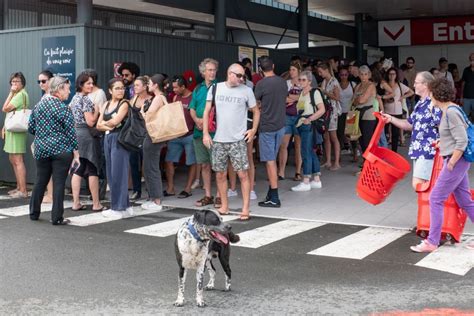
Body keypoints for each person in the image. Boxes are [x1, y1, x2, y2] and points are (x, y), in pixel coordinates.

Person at [409, 78, 474, 253]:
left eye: (431, 93)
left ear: (437, 94)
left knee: (435, 198)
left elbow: (462, 141)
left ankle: (432, 241)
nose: (429, 97)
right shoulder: (451, 109)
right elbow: (455, 137)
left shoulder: (451, 112)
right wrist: (443, 142)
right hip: (457, 161)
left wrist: (451, 163)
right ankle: (432, 240)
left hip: (455, 162)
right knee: (465, 201)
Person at [202, 63, 260, 220]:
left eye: (243, 76)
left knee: (243, 174)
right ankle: (225, 206)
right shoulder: (215, 88)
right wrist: (206, 134)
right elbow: (206, 111)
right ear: (230, 74)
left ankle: (245, 208)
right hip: (219, 140)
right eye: (239, 76)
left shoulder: (247, 91)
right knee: (220, 174)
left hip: (238, 140)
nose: (242, 79)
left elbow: (256, 111)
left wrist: (253, 129)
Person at [29, 76, 80, 225]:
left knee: (40, 180)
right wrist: (76, 153)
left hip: (41, 148)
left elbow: (31, 127)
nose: (69, 92)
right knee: (59, 183)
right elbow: (71, 133)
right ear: (58, 89)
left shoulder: (38, 106)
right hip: (61, 150)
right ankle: (56, 217)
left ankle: (33, 213)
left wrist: (44, 134)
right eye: (67, 88)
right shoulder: (63, 108)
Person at [381, 71, 442, 190]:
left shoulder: (434, 103)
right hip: (418, 151)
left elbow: (442, 126)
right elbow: (409, 124)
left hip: (428, 152)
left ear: (426, 85)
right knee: (422, 186)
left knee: (421, 186)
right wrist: (391, 118)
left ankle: (430, 208)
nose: (413, 85)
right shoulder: (421, 103)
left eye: (416, 82)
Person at [97, 78, 132, 219]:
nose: (120, 90)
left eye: (122, 88)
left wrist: (106, 125)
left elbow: (115, 122)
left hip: (119, 139)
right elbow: (98, 125)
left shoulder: (124, 103)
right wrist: (107, 125)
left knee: (119, 173)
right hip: (108, 138)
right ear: (110, 90)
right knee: (111, 173)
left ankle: (118, 208)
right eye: (117, 88)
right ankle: (126, 206)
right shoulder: (105, 104)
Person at [254, 56, 287, 207]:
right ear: (273, 65)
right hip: (281, 125)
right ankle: (270, 192)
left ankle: (274, 197)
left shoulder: (260, 84)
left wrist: (260, 106)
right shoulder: (282, 82)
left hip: (267, 127)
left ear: (260, 70)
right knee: (272, 158)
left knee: (270, 162)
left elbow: (254, 103)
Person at [69, 73, 104, 212]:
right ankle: (96, 203)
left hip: (76, 133)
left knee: (78, 168)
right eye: (88, 83)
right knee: (92, 167)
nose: (91, 85)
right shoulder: (86, 100)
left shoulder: (74, 98)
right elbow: (90, 121)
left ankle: (76, 202)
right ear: (81, 84)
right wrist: (97, 111)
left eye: (92, 83)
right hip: (87, 134)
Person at [189, 58, 220, 208]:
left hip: (216, 133)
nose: (213, 72)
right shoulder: (197, 89)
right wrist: (196, 120)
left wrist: (206, 122)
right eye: (210, 70)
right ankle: (208, 195)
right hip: (198, 132)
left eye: (214, 70)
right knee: (204, 165)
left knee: (219, 165)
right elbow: (192, 107)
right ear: (203, 72)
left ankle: (220, 195)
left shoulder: (220, 87)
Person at [291, 70, 325, 191]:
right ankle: (316, 179)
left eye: (303, 80)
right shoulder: (302, 93)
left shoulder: (314, 92)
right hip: (302, 124)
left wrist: (309, 119)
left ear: (310, 81)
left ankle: (306, 180)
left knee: (305, 152)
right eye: (299, 79)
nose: (300, 82)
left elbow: (322, 109)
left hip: (308, 124)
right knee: (310, 151)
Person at [164, 75, 196, 199]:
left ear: (183, 87)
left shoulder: (193, 97)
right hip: (176, 135)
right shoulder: (175, 97)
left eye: (176, 88)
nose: (174, 90)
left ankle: (188, 188)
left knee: (191, 162)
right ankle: (170, 188)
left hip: (190, 134)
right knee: (169, 161)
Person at [140, 74, 167, 211]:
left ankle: (156, 200)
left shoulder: (158, 98)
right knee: (150, 167)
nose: (148, 85)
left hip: (153, 136)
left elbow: (148, 116)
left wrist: (142, 110)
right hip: (155, 136)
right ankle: (154, 198)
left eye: (150, 83)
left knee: (151, 167)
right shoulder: (162, 97)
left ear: (156, 85)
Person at [2, 72, 29, 198]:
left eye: (17, 81)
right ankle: (19, 187)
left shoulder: (20, 95)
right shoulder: (18, 94)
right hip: (12, 129)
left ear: (22, 83)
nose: (14, 84)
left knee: (17, 160)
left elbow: (5, 108)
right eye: (12, 82)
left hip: (16, 130)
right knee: (12, 159)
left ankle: (23, 190)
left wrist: (11, 93)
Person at [82, 69, 107, 201]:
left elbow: (101, 112)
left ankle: (99, 192)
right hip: (85, 132)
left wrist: (95, 115)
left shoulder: (100, 93)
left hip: (96, 131)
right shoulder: (83, 94)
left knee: (99, 163)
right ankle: (91, 191)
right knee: (87, 162)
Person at [278, 60, 303, 182]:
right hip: (287, 115)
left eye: (293, 70)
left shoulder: (303, 82)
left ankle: (298, 172)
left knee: (298, 145)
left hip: (299, 116)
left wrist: (292, 98)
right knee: (284, 144)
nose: (291, 72)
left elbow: (304, 98)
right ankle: (281, 171)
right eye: (290, 69)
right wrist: (296, 98)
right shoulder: (286, 83)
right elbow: (283, 98)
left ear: (299, 71)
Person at [128, 76, 151, 200]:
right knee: (134, 163)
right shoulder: (133, 99)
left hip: (147, 135)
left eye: (137, 85)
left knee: (147, 164)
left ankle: (150, 190)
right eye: (134, 85)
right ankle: (137, 190)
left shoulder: (151, 99)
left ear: (145, 86)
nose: (134, 87)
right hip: (134, 135)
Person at [317, 62, 342, 170]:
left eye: (320, 72)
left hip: (332, 112)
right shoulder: (324, 81)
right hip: (325, 111)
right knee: (326, 136)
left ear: (326, 70)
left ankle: (336, 162)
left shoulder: (334, 81)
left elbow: (337, 97)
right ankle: (328, 161)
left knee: (333, 136)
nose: (319, 74)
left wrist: (325, 92)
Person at [384, 67, 414, 152]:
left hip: (397, 110)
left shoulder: (400, 85)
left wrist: (403, 97)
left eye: (393, 74)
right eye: (390, 74)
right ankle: (384, 149)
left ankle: (394, 151)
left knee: (395, 133)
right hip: (386, 110)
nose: (392, 76)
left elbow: (411, 92)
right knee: (384, 131)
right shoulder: (385, 84)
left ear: (396, 75)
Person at [352, 66, 377, 166]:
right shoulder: (358, 86)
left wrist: (358, 99)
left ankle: (370, 163)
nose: (363, 76)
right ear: (358, 74)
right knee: (361, 140)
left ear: (369, 75)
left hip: (368, 115)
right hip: (358, 114)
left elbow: (361, 100)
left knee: (367, 140)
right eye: (361, 74)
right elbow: (353, 101)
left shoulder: (371, 85)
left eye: (365, 74)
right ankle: (365, 162)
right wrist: (358, 99)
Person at [36, 70, 54, 203]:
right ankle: (49, 193)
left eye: (43, 81)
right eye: (39, 81)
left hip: (48, 136)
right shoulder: (46, 96)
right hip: (44, 135)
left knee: (48, 167)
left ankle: (51, 194)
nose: (41, 84)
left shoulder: (50, 96)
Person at [337, 66, 357, 158]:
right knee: (340, 134)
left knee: (352, 134)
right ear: (339, 75)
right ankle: (339, 153)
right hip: (340, 112)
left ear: (348, 75)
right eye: (342, 75)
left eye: (345, 74)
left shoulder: (353, 84)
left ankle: (355, 153)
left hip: (351, 112)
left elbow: (357, 97)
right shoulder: (336, 85)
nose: (344, 76)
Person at [461, 53, 474, 118]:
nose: (472, 60)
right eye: (471, 58)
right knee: (465, 116)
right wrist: (461, 96)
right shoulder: (466, 70)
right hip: (466, 98)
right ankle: (468, 128)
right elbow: (463, 83)